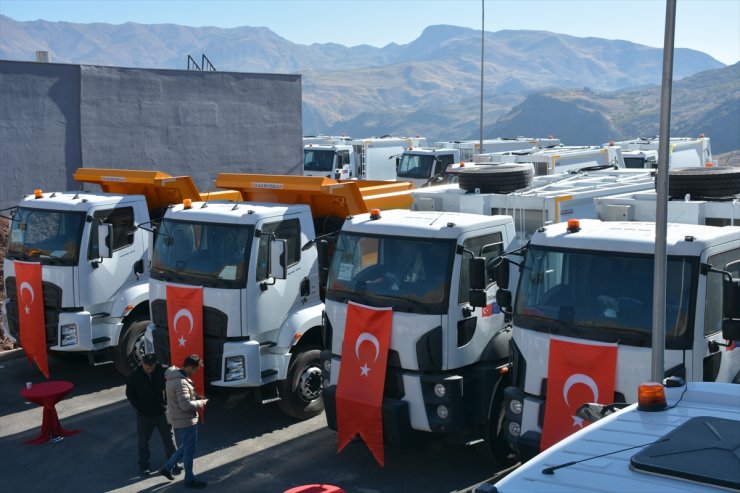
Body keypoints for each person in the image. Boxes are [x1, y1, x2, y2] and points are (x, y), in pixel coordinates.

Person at [125, 353, 180, 476]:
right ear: (142, 363)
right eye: (147, 367)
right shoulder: (134, 376)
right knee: (143, 441)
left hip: (162, 412)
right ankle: (144, 466)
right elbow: (130, 394)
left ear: (156, 364)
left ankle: (174, 463)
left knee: (169, 439)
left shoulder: (164, 371)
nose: (150, 370)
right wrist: (139, 407)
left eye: (152, 367)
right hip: (144, 415)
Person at [159, 354, 209, 489]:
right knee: (189, 451)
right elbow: (186, 405)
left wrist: (195, 396)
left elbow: (180, 398)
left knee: (186, 446)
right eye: (196, 369)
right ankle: (189, 480)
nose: (195, 372)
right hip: (186, 420)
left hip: (178, 418)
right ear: (191, 367)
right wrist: (201, 402)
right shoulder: (181, 381)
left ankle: (167, 468)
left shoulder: (173, 376)